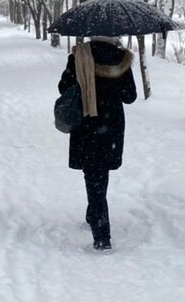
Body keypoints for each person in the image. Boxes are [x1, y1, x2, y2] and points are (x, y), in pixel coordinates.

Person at [58, 36, 137, 250]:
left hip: (87, 123)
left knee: (93, 172)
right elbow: (130, 96)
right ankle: (93, 213)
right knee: (100, 172)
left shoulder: (79, 56)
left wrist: (82, 79)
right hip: (110, 125)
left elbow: (63, 87)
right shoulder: (122, 59)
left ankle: (102, 235)